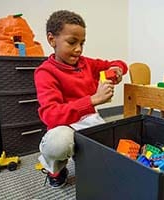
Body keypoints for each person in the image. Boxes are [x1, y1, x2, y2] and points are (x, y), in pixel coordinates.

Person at [34, 10, 128, 188]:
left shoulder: (86, 63)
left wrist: (117, 69)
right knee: (58, 144)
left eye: (82, 43)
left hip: (88, 121)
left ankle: (85, 158)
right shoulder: (45, 72)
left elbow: (119, 64)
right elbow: (50, 115)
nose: (78, 49)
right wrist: (92, 100)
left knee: (112, 147)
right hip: (62, 126)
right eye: (72, 42)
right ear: (51, 39)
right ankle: (55, 169)